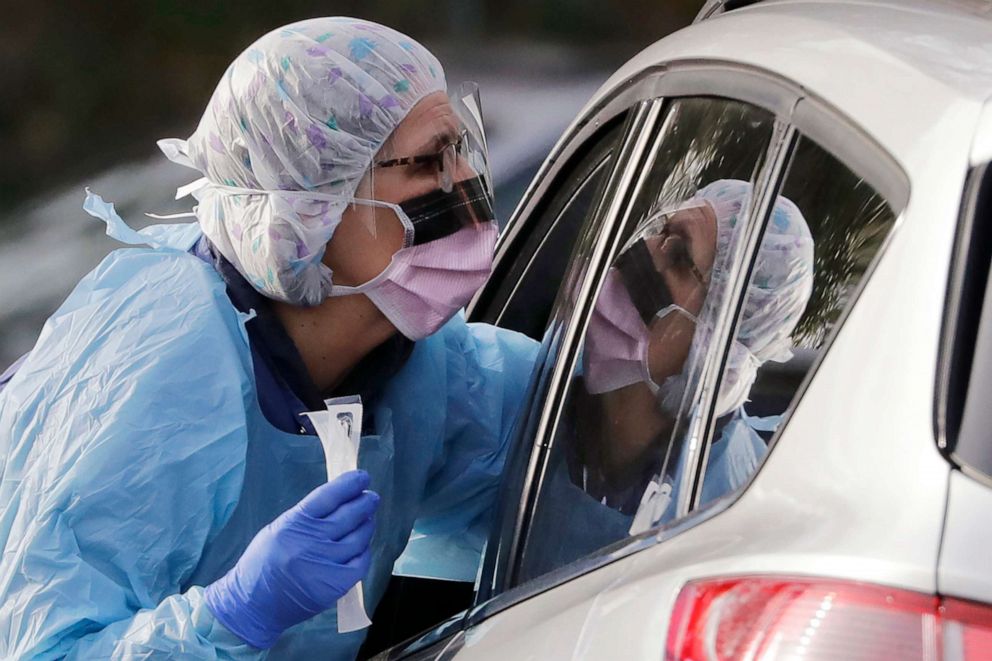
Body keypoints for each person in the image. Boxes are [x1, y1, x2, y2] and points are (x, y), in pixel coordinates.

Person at [0, 17, 539, 659]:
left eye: (463, 148)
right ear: (311, 204)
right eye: (429, 160)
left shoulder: (418, 362)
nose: (465, 183)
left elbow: (557, 470)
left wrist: (635, 364)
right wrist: (234, 614)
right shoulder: (163, 377)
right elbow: (42, 647)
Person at [524, 179, 815, 575]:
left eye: (677, 254)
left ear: (715, 344)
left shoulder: (730, 529)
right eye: (659, 230)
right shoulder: (526, 401)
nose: (643, 254)